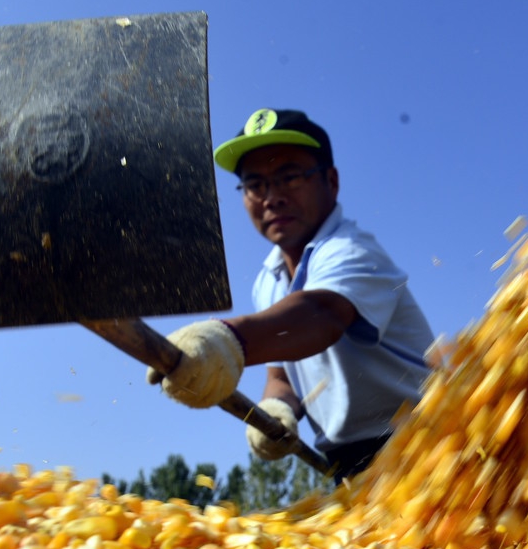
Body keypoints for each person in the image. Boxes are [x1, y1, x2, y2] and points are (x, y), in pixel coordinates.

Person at [148, 108, 434, 480]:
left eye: (289, 177)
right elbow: (282, 376)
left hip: (425, 446)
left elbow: (322, 316)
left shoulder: (351, 249)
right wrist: (274, 409)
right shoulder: (268, 280)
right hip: (347, 464)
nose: (272, 197)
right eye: (255, 185)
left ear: (330, 182)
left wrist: (227, 340)